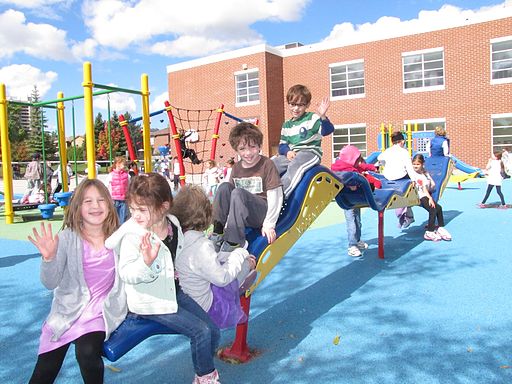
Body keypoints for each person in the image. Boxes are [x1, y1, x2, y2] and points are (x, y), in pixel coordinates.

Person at [104, 173, 221, 383]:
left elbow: (178, 249)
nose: (135, 214)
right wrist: (146, 263)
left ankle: (203, 367)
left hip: (173, 292)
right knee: (201, 332)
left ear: (164, 206)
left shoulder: (173, 225)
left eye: (142, 209)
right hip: (150, 302)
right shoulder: (132, 237)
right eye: (132, 208)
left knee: (212, 330)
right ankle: (205, 377)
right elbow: (127, 273)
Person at [26, 179, 126, 384]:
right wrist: (49, 258)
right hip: (68, 310)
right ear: (78, 207)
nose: (95, 206)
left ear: (109, 204)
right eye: (87, 201)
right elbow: (50, 282)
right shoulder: (67, 238)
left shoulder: (119, 238)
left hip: (100, 311)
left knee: (87, 352)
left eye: (100, 200)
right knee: (44, 370)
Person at [171, 185, 256, 329]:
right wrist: (239, 254)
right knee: (236, 271)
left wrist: (228, 255)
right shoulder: (201, 246)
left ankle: (241, 271)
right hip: (208, 310)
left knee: (217, 264)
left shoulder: (178, 240)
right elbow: (221, 278)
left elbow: (210, 258)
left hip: (185, 303)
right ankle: (246, 272)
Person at [210, 122, 283, 253]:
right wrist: (228, 225)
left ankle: (235, 242)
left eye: (252, 147)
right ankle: (218, 232)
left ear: (260, 146)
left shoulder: (267, 164)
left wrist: (269, 224)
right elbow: (229, 198)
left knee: (238, 193)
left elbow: (275, 194)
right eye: (242, 149)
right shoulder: (237, 167)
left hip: (260, 212)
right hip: (242, 214)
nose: (248, 153)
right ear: (236, 150)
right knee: (224, 187)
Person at [272, 84, 334, 198]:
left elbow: (328, 130)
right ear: (288, 104)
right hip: (292, 154)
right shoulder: (287, 125)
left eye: (300, 105)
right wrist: (287, 152)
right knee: (272, 164)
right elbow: (282, 145)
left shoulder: (312, 118)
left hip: (309, 153)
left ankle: (281, 195)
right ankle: (264, 192)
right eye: (293, 104)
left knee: (296, 165)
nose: (296, 108)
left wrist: (323, 117)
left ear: (307, 105)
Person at [331, 145, 381, 257]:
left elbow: (362, 166)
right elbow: (350, 183)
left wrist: (372, 168)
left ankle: (357, 240)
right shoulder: (346, 171)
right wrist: (353, 184)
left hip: (353, 199)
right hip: (348, 199)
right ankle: (352, 245)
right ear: (351, 159)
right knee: (352, 222)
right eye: (356, 159)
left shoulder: (348, 167)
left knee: (357, 221)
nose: (358, 163)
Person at [377, 131, 421, 228]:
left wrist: (385, 165)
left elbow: (379, 157)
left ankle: (406, 215)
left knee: (401, 198)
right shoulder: (404, 152)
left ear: (393, 142)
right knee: (408, 195)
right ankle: (408, 216)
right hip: (401, 178)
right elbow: (409, 167)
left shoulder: (387, 151)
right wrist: (414, 180)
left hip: (388, 178)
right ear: (401, 141)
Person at [412, 154, 452, 241]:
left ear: (422, 164)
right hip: (420, 196)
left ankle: (440, 228)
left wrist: (429, 179)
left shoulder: (425, 173)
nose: (415, 166)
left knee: (439, 208)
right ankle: (429, 232)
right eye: (414, 164)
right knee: (433, 209)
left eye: (418, 164)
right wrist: (430, 198)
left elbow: (431, 185)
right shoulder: (414, 174)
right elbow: (423, 188)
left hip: (425, 194)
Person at [106, 156, 130, 223]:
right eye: (123, 163)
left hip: (123, 199)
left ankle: (121, 229)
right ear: (117, 164)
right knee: (114, 217)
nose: (124, 165)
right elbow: (107, 186)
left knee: (123, 217)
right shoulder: (111, 175)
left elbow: (129, 184)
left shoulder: (126, 175)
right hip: (114, 199)